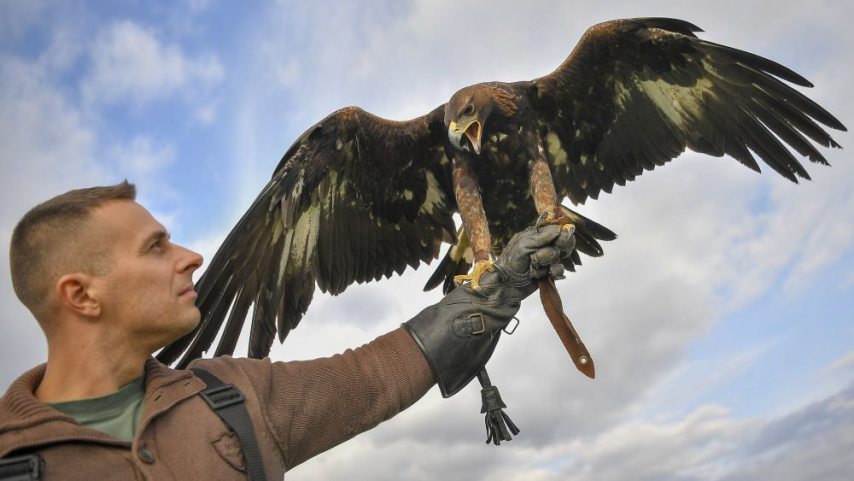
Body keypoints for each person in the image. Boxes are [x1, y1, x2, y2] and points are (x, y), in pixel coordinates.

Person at [0, 181, 575, 480]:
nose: (193, 256)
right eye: (156, 247)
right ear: (80, 294)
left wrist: (496, 288)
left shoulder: (231, 398)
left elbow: (379, 373)